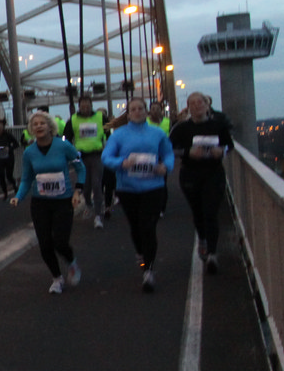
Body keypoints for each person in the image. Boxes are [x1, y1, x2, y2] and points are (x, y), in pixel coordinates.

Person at [102, 97, 175, 292]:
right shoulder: (119, 135)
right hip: (128, 188)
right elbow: (106, 157)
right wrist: (122, 163)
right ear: (128, 114)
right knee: (136, 227)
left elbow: (168, 154)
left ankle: (148, 270)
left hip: (153, 187)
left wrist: (165, 167)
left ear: (146, 111)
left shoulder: (157, 133)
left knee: (148, 227)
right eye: (133, 109)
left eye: (140, 108)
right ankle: (142, 255)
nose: (137, 112)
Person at [10, 111, 86, 294]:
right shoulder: (29, 152)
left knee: (60, 242)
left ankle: (72, 263)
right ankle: (57, 278)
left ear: (50, 126)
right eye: (35, 124)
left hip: (63, 201)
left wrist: (78, 190)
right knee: (44, 244)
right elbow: (27, 179)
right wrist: (18, 196)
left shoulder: (64, 146)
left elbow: (80, 167)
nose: (39, 126)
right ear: (31, 129)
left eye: (42, 123)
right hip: (40, 203)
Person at [170, 92, 233, 274]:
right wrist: (188, 152)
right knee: (198, 211)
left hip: (213, 173)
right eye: (193, 103)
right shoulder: (182, 128)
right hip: (190, 174)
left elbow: (229, 145)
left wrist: (221, 151)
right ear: (188, 108)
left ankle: (212, 253)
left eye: (200, 102)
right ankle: (203, 239)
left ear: (207, 105)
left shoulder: (218, 126)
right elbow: (169, 148)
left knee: (211, 212)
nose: (197, 106)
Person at [64, 96, 109, 230]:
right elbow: (66, 138)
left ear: (91, 105)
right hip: (81, 157)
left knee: (96, 184)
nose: (85, 108)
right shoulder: (73, 120)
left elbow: (109, 133)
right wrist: (67, 152)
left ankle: (98, 216)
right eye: (82, 106)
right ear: (79, 107)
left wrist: (109, 146)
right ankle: (89, 204)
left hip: (97, 155)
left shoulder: (100, 117)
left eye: (87, 106)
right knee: (86, 186)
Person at [0, 123, 20, 198]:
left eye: (1, 127)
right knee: (1, 176)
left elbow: (16, 144)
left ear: (3, 128)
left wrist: (9, 148)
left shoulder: (8, 135)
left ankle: (15, 185)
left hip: (9, 158)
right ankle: (5, 193)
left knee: (9, 175)